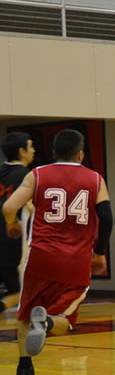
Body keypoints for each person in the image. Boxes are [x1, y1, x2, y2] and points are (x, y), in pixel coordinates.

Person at [2, 129, 112, 375]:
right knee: (66, 319)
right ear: (80, 154)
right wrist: (99, 253)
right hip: (75, 261)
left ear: (53, 152)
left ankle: (25, 370)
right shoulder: (95, 179)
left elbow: (8, 207)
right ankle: (47, 322)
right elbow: (106, 218)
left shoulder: (37, 174)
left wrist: (11, 224)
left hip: (40, 257)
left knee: (25, 313)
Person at [0, 132, 35, 316]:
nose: (33, 150)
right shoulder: (27, 176)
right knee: (20, 292)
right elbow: (32, 207)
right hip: (13, 242)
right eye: (31, 146)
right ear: (22, 151)